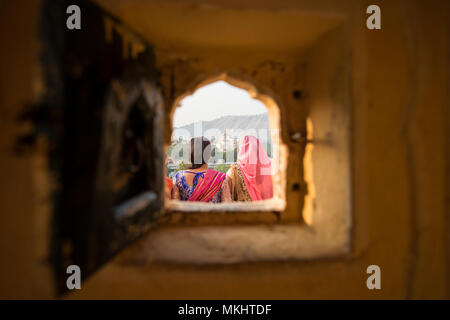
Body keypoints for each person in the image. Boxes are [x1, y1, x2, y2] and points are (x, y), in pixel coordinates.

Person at [172, 137, 231, 203]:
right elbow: (228, 207)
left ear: (190, 155)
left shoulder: (178, 177)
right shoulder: (220, 178)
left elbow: (174, 206)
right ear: (209, 155)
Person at [226, 135, 273, 201]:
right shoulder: (269, 172)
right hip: (266, 209)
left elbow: (226, 199)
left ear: (241, 151)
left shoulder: (232, 173)